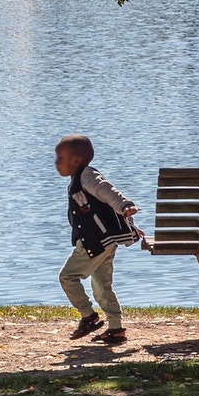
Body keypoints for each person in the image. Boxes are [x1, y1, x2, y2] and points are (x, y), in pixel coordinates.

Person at [55, 134, 139, 345]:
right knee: (102, 285)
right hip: (106, 241)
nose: (56, 163)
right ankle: (115, 329)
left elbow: (106, 190)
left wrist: (124, 205)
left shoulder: (87, 176)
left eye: (60, 158)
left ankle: (88, 316)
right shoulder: (79, 179)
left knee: (67, 277)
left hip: (95, 241)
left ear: (76, 160)